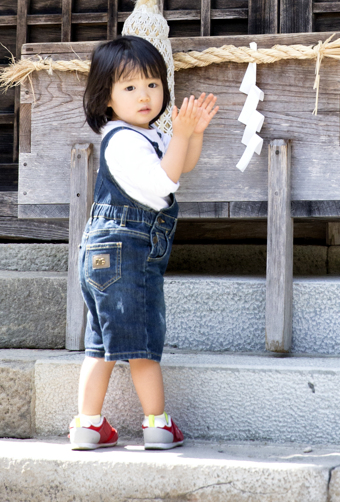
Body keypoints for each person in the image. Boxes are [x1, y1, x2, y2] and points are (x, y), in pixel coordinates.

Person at [69, 35, 218, 451]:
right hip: (125, 253)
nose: (145, 96)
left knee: (100, 342)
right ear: (107, 98)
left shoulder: (146, 136)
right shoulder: (122, 141)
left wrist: (193, 134)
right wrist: (182, 133)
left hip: (105, 252)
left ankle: (88, 424)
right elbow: (162, 184)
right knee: (142, 341)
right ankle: (156, 424)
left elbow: (180, 163)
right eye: (130, 87)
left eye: (152, 84)